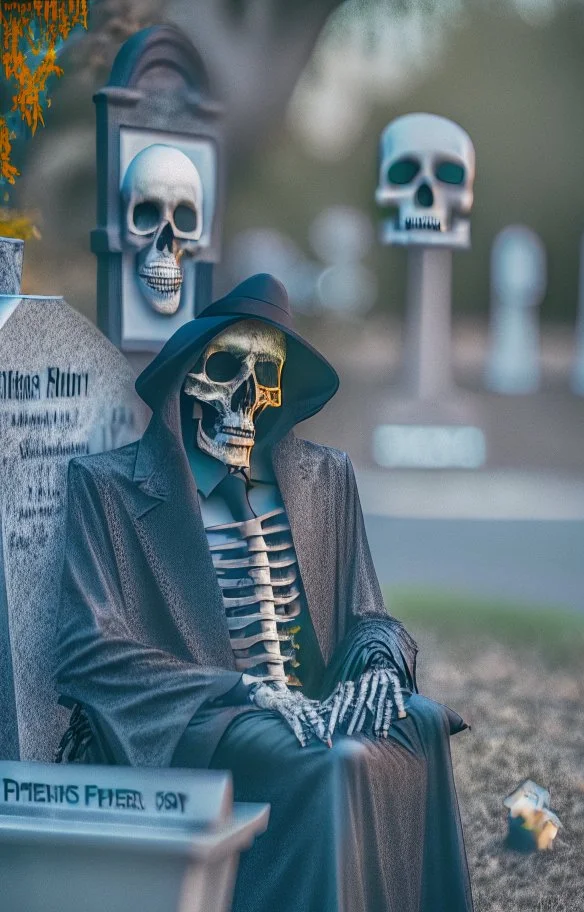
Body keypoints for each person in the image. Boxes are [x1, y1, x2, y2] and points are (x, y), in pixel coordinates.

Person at [55, 274, 473, 912]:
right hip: (205, 720)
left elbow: (366, 614)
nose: (246, 398)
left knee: (415, 721)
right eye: (227, 371)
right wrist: (247, 690)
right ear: (191, 381)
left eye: (266, 377)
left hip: (312, 701)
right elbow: (88, 647)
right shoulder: (108, 488)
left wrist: (381, 665)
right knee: (330, 762)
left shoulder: (325, 478)